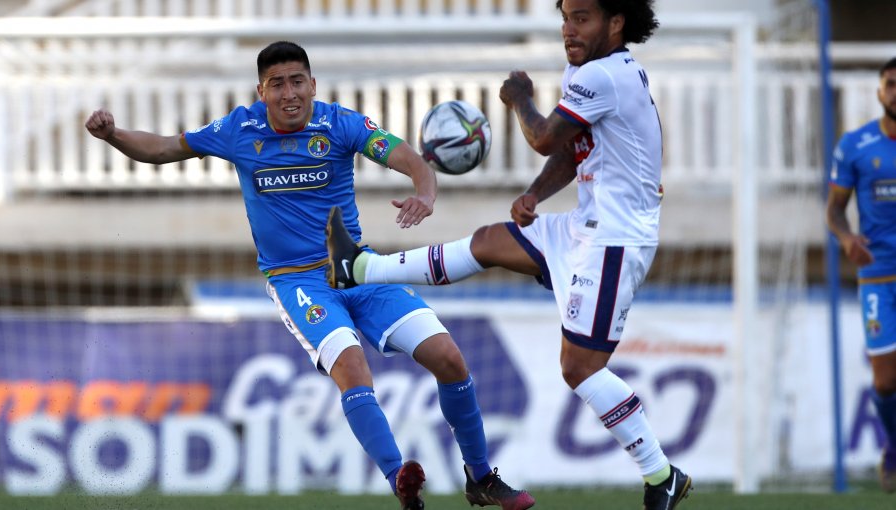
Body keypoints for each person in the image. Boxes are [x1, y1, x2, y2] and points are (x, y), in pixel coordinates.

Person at [85, 41, 534, 510]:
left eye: (297, 81)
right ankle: (400, 479)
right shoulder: (238, 129)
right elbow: (162, 148)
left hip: (357, 269)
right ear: (261, 91)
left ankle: (481, 478)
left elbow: (405, 155)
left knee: (449, 358)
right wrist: (113, 135)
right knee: (353, 368)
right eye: (277, 84)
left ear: (312, 85)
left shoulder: (339, 124)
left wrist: (425, 191)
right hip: (297, 281)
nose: (289, 93)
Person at [327, 1, 693, 508]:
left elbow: (543, 137)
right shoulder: (587, 71)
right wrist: (536, 196)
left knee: (579, 368)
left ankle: (660, 475)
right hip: (583, 227)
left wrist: (520, 98)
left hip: (615, 240)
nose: (569, 29)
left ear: (616, 22)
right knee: (487, 243)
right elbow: (570, 149)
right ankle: (362, 269)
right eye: (565, 16)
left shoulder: (606, 76)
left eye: (582, 17)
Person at [827, 56, 896, 494]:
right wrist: (847, 238)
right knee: (886, 380)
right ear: (879, 91)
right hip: (879, 278)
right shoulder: (856, 144)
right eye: (891, 83)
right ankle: (894, 445)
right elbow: (834, 209)